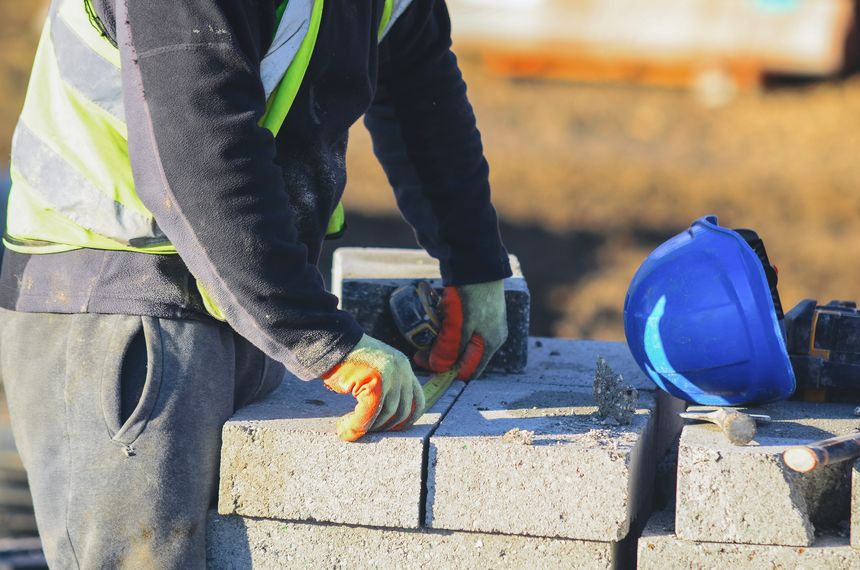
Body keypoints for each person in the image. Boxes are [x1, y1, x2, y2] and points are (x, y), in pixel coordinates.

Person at [0, 0, 510, 567]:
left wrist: (476, 264)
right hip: (119, 302)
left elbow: (421, 87)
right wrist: (315, 334)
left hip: (246, 288)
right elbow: (197, 152)